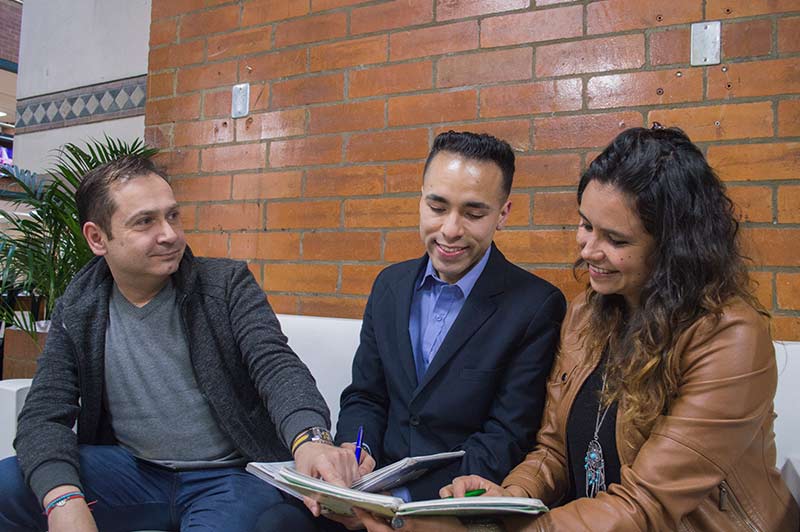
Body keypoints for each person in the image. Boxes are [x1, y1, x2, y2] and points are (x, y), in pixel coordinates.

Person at [355, 126, 800, 531]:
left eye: (616, 239)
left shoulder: (729, 337)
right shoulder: (588, 313)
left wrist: (502, 529)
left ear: (674, 247)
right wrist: (509, 498)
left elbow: (647, 504)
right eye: (586, 225)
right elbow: (551, 451)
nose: (588, 249)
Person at [0, 156, 359, 532]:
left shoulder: (225, 285)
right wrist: (63, 500)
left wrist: (310, 438)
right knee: (10, 484)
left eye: (172, 216)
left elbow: (276, 366)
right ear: (97, 238)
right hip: (131, 472)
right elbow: (44, 413)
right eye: (145, 221)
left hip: (230, 476)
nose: (169, 234)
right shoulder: (79, 307)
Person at [284, 131, 567, 531]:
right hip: (368, 486)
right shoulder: (389, 286)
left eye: (473, 214)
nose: (450, 230)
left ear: (503, 214)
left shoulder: (535, 305)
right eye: (437, 207)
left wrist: (401, 503)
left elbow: (506, 435)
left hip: (448, 507)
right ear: (420, 200)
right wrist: (355, 453)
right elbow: (366, 395)